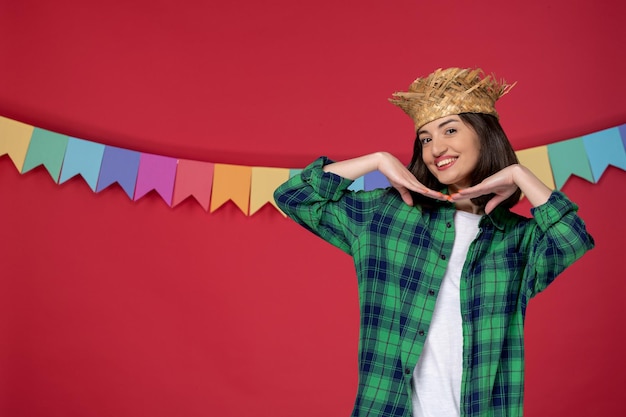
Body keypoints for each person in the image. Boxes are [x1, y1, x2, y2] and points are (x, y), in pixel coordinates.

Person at [273, 67, 594, 417]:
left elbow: (572, 238)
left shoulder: (517, 238)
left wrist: (520, 174)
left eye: (450, 130)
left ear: (485, 136)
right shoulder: (385, 215)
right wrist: (377, 160)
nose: (436, 148)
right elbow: (294, 196)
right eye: (425, 139)